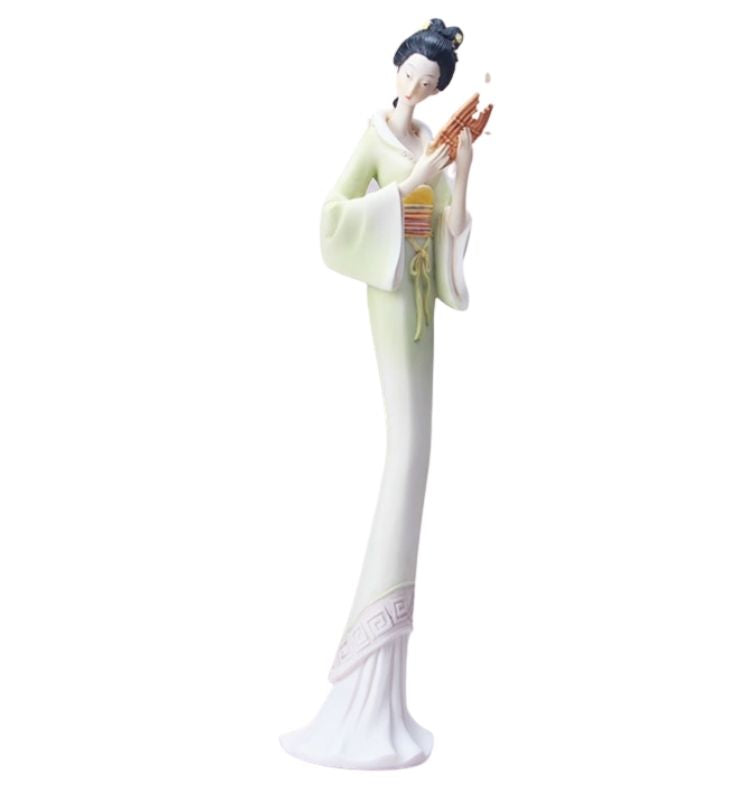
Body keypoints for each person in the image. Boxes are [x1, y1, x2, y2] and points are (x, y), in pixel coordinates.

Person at [280, 19, 475, 769]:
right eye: (412, 76)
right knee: (407, 450)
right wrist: (413, 183)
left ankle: (385, 678)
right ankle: (362, 671)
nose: (418, 89)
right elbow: (334, 217)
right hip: (392, 291)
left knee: (418, 453)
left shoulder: (431, 139)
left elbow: (453, 227)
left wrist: (461, 166)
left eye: (430, 83)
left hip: (424, 294)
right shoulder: (376, 137)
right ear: (397, 70)